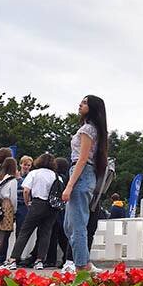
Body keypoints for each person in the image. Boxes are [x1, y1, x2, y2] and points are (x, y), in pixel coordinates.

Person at [62, 95, 108, 274]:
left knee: (77, 224)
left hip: (80, 174)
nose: (80, 104)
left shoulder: (88, 129)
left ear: (93, 108)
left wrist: (69, 186)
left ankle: (82, 265)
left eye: (85, 102)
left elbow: (81, 160)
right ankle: (84, 261)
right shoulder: (93, 129)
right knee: (69, 225)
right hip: (83, 174)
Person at [4, 154, 59, 270]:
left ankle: (13, 259)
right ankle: (40, 260)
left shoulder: (34, 173)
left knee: (25, 231)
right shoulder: (54, 175)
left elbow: (26, 190)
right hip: (51, 206)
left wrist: (27, 202)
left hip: (37, 203)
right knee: (45, 233)